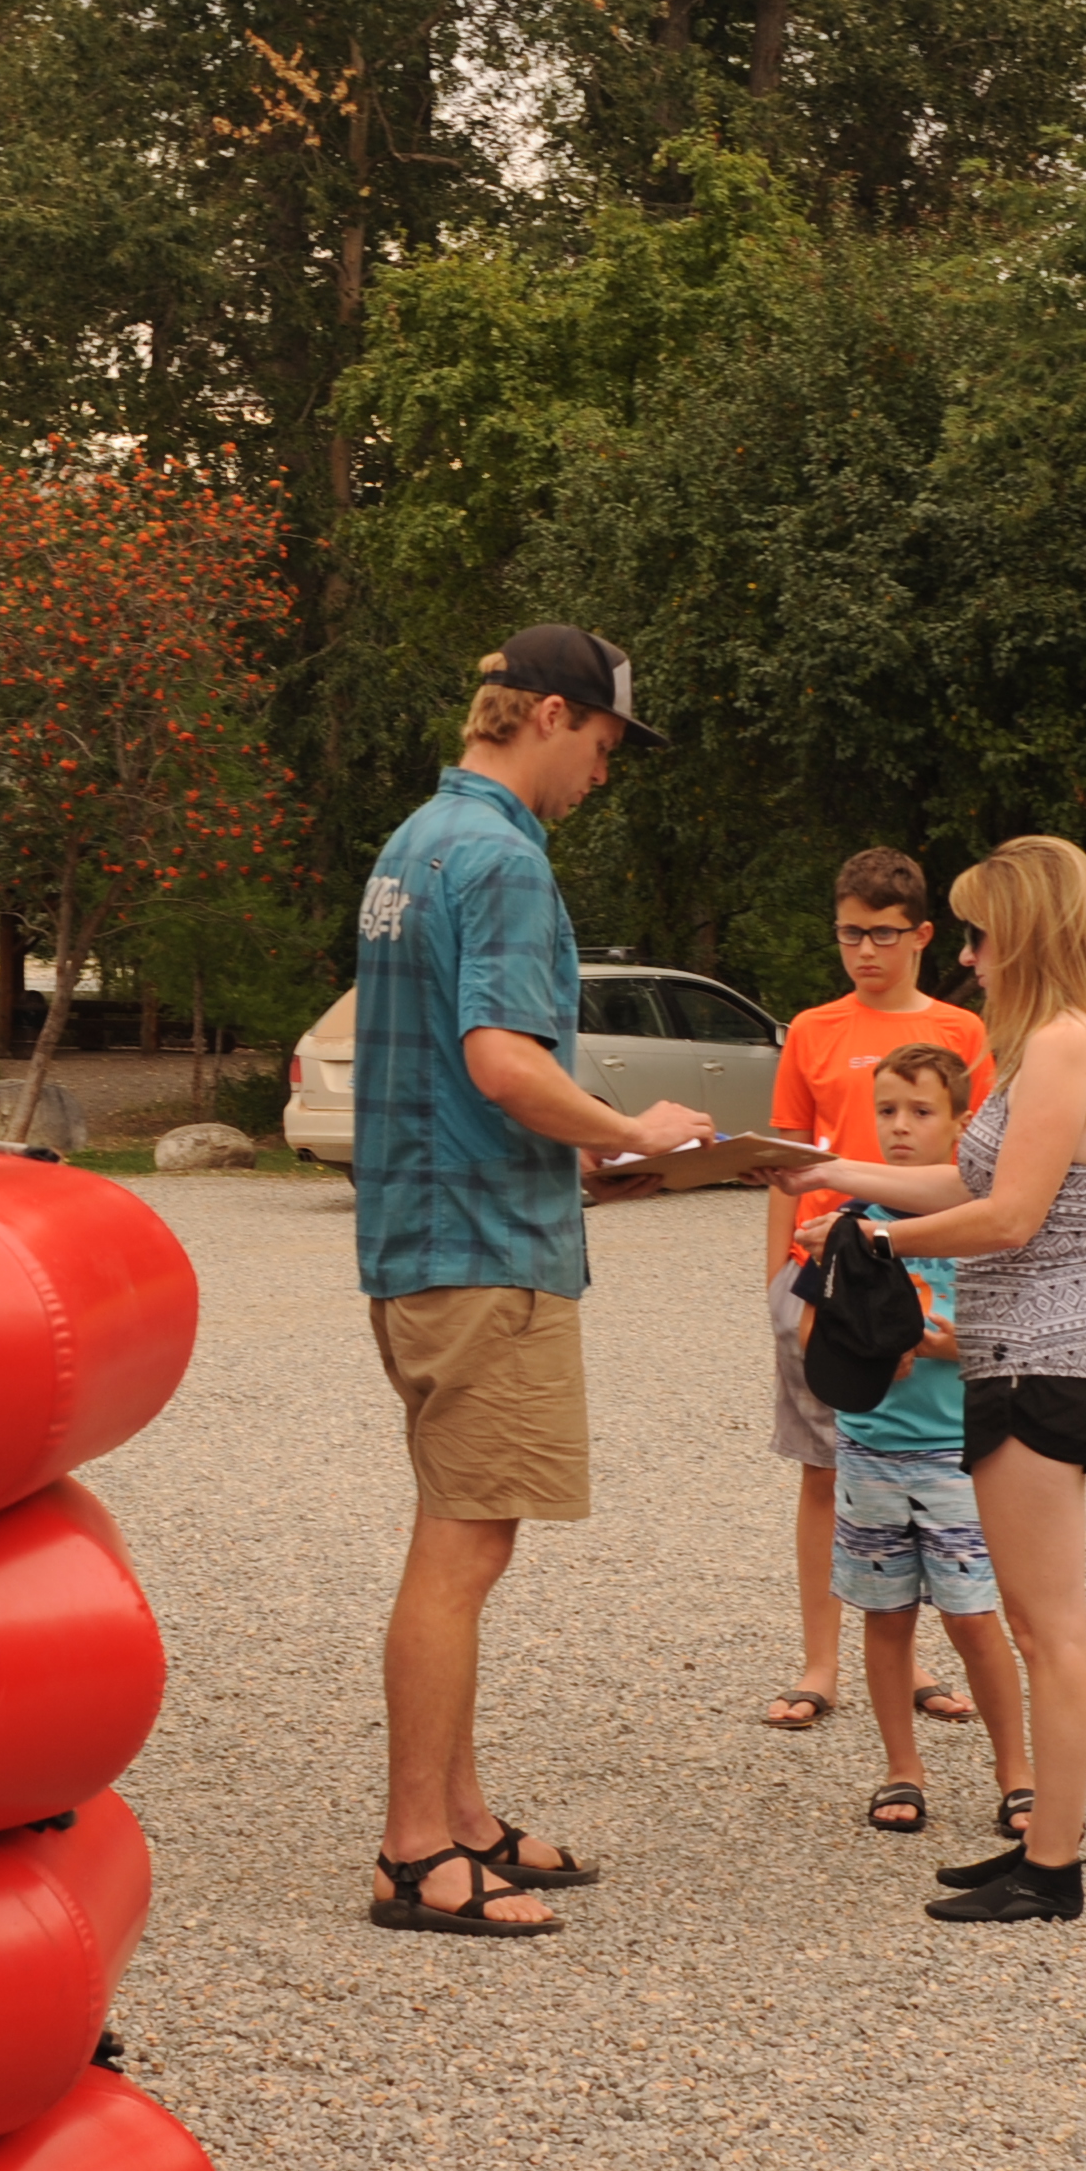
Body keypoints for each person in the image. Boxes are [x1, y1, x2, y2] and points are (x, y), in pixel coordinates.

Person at [353, 626, 712, 1941]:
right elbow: (502, 1061)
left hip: (421, 1235)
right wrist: (634, 1133)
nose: (601, 778)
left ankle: (462, 1818)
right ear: (550, 715)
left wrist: (587, 1167)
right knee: (463, 1548)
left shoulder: (413, 847)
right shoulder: (503, 857)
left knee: (467, 1528)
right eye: (604, 749)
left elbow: (456, 1076)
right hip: (483, 1250)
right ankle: (414, 1854)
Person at [788, 836, 1086, 1925]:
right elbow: (970, 1175)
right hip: (1011, 1353)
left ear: (1026, 933)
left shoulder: (1071, 1048)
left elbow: (1007, 1218)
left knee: (1046, 1626)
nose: (973, 956)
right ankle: (1038, 1845)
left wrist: (876, 1246)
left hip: (1045, 1356)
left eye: (983, 933)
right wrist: (829, 1171)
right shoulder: (1047, 1050)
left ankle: (1053, 1865)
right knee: (1038, 1621)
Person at [762, 850, 997, 1734]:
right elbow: (788, 1164)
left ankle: (917, 1657)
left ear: (923, 936)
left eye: (884, 933)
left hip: (927, 1262)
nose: (865, 950)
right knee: (827, 1466)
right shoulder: (812, 1028)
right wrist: (778, 1286)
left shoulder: (963, 1030)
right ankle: (821, 1662)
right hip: (823, 1273)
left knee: (928, 1466)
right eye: (850, 932)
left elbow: (985, 1164)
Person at [810, 1045, 1035, 1839]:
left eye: (921, 1111)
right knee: (886, 1616)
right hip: (871, 1450)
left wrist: (944, 1346)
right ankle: (901, 1768)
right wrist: (858, 1339)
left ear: (962, 1123)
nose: (900, 1128)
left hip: (953, 1454)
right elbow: (817, 1335)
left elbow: (1011, 1341)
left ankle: (1017, 1772)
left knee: (974, 1619)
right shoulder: (855, 1223)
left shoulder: (981, 1223)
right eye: (887, 1112)